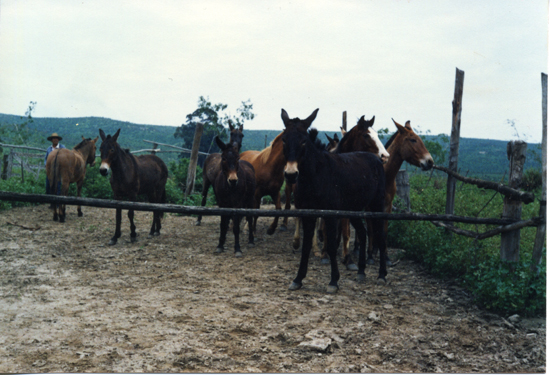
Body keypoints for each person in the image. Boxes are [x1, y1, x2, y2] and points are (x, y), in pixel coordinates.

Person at [45, 133, 66, 205]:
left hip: (59, 170)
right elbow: (46, 159)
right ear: (51, 140)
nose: (55, 139)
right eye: (54, 138)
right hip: (50, 170)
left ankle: (57, 202)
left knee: (58, 185)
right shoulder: (49, 149)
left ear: (58, 139)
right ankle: (51, 202)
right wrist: (46, 165)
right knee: (49, 186)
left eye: (56, 138)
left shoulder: (62, 148)